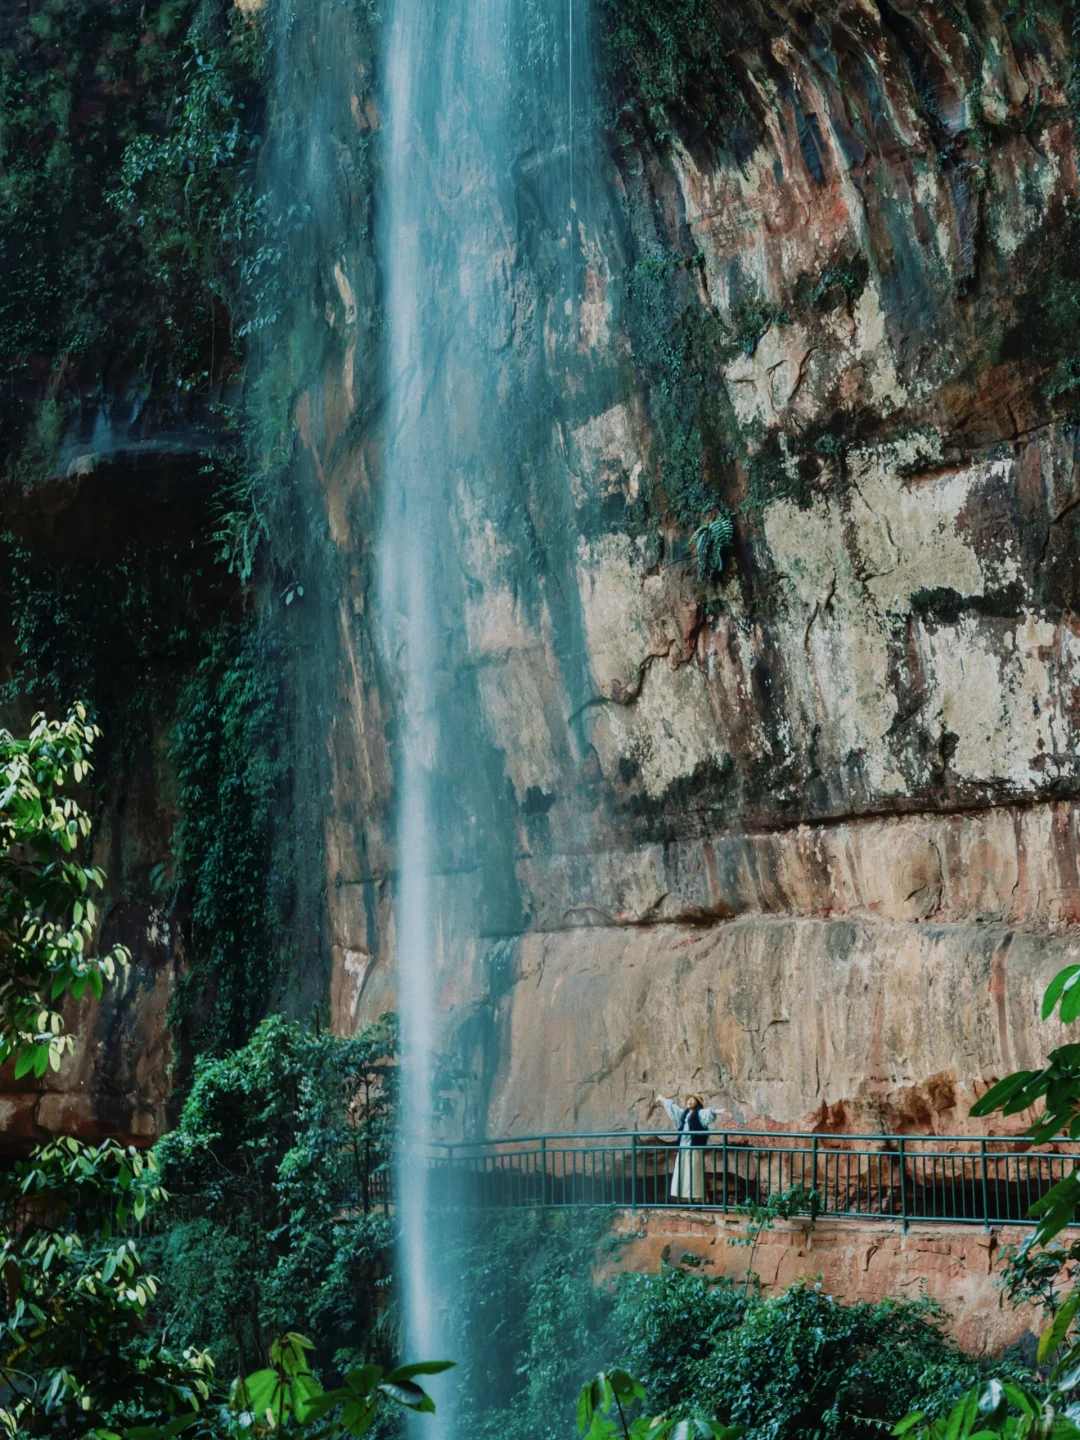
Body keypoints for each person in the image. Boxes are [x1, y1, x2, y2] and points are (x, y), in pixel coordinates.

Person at [657, 1093, 718, 1203]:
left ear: (697, 1103)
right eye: (688, 1099)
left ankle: (697, 1200)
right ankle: (685, 1200)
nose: (689, 1101)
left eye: (693, 1100)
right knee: (683, 1174)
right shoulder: (684, 1115)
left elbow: (708, 1112)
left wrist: (720, 1111)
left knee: (694, 1175)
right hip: (683, 1150)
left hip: (694, 1149)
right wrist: (662, 1098)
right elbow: (673, 1108)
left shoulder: (699, 1114)